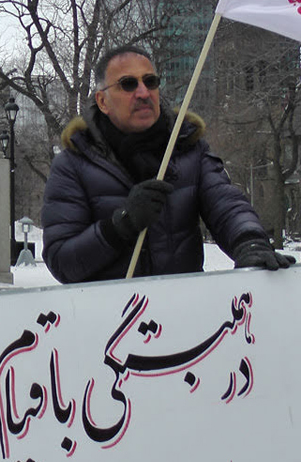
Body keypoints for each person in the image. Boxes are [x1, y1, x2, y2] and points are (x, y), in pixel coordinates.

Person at [41, 45, 294, 284]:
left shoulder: (188, 146)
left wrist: (250, 241)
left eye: (150, 81)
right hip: (111, 321)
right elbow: (62, 261)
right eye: (128, 84)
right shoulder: (73, 163)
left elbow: (227, 204)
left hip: (182, 313)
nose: (143, 93)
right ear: (102, 101)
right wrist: (120, 226)